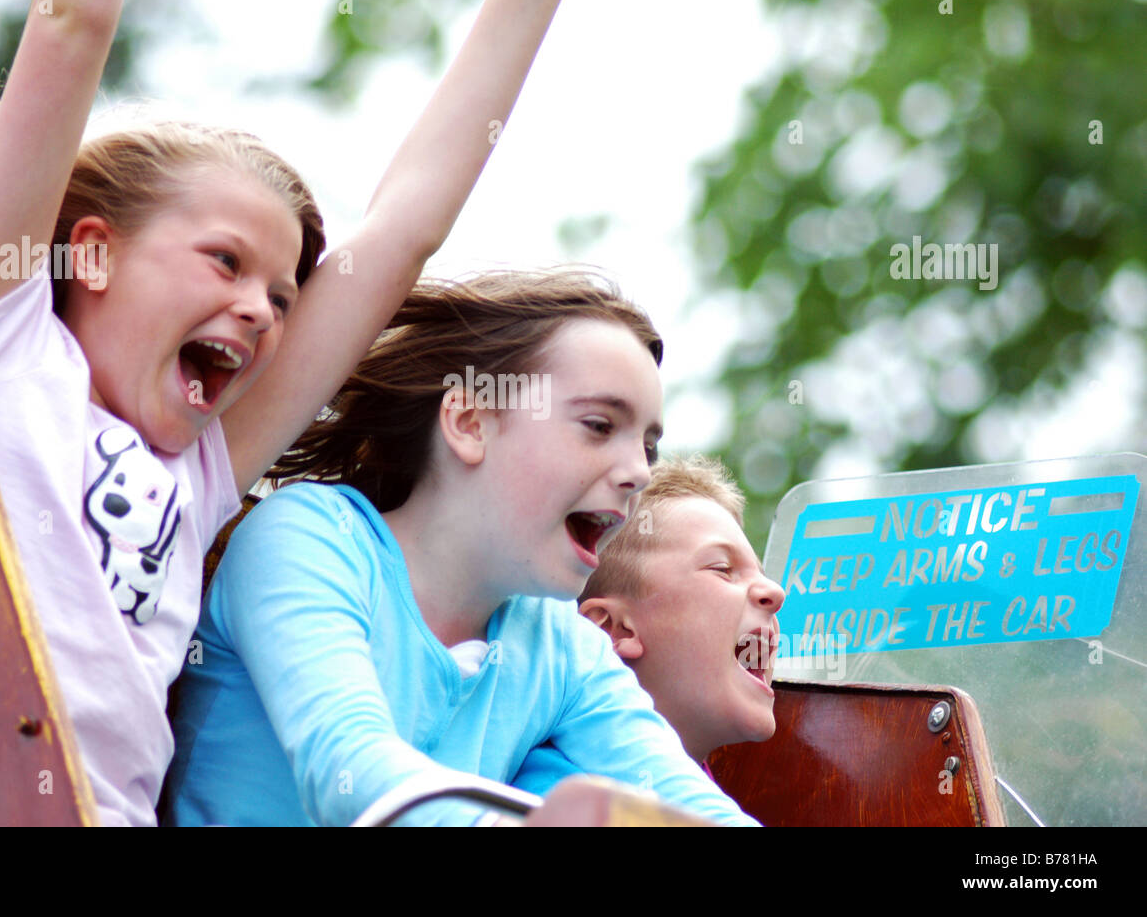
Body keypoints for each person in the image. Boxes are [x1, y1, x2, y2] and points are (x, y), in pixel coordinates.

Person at [0, 0, 588, 825]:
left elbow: (401, 232)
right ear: (92, 254)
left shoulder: (199, 472)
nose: (259, 310)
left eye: (281, 298)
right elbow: (73, 21)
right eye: (226, 262)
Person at [164, 270, 760, 827]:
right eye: (600, 426)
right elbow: (350, 774)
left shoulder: (566, 647)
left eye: (649, 449)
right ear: (471, 421)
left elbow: (690, 803)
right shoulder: (311, 537)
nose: (638, 473)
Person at [511, 455, 785, 797]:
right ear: (611, 631)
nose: (775, 591)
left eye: (761, 572)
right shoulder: (557, 802)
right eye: (721, 568)